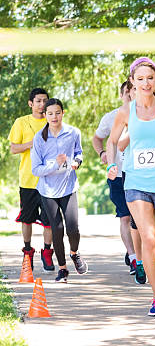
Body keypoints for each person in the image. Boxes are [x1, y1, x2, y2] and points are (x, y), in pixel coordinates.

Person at [106, 57, 155, 317]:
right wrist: (110, 164)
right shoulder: (125, 112)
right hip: (136, 183)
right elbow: (112, 142)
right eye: (139, 79)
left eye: (149, 78)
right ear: (132, 82)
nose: (145, 82)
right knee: (148, 240)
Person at [31, 98, 88, 282]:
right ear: (45, 116)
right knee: (57, 229)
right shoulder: (39, 138)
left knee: (73, 228)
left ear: (63, 113)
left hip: (69, 187)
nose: (54, 116)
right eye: (50, 113)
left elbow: (79, 152)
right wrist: (54, 165)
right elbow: (36, 169)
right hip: (48, 190)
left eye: (57, 112)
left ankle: (74, 253)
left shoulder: (73, 133)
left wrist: (76, 163)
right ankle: (62, 269)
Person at [92, 81, 141, 276]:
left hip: (140, 174)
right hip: (118, 174)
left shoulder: (148, 115)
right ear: (122, 95)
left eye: (134, 91)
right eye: (127, 92)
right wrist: (103, 153)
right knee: (125, 216)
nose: (131, 95)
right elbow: (97, 138)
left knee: (141, 218)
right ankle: (133, 257)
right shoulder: (111, 117)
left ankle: (142, 254)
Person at [8, 88, 55, 273]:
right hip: (28, 180)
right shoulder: (21, 122)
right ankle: (27, 251)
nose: (42, 104)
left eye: (45, 101)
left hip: (50, 180)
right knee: (26, 219)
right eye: (38, 101)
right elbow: (13, 148)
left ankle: (47, 252)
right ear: (31, 103)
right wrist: (32, 143)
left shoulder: (53, 121)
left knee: (49, 220)